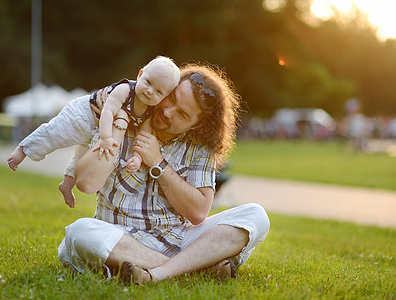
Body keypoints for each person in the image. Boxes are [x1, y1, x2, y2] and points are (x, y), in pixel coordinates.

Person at [57, 62, 270, 284]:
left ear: (196, 125)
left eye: (182, 114)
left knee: (256, 216)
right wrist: (119, 126)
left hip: (177, 237)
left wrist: (157, 162)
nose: (167, 112)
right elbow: (86, 183)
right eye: (172, 98)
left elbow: (198, 212)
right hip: (120, 237)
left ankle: (157, 273)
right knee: (80, 232)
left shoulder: (200, 145)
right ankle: (195, 267)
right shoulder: (122, 112)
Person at [6, 56, 180, 208]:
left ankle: (67, 184)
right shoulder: (126, 89)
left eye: (158, 91)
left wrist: (137, 157)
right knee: (55, 133)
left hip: (99, 130)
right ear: (140, 75)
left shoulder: (149, 111)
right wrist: (105, 138)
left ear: (164, 97)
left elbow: (143, 135)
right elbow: (108, 111)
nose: (150, 91)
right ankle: (23, 149)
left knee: (82, 157)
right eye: (148, 82)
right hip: (84, 115)